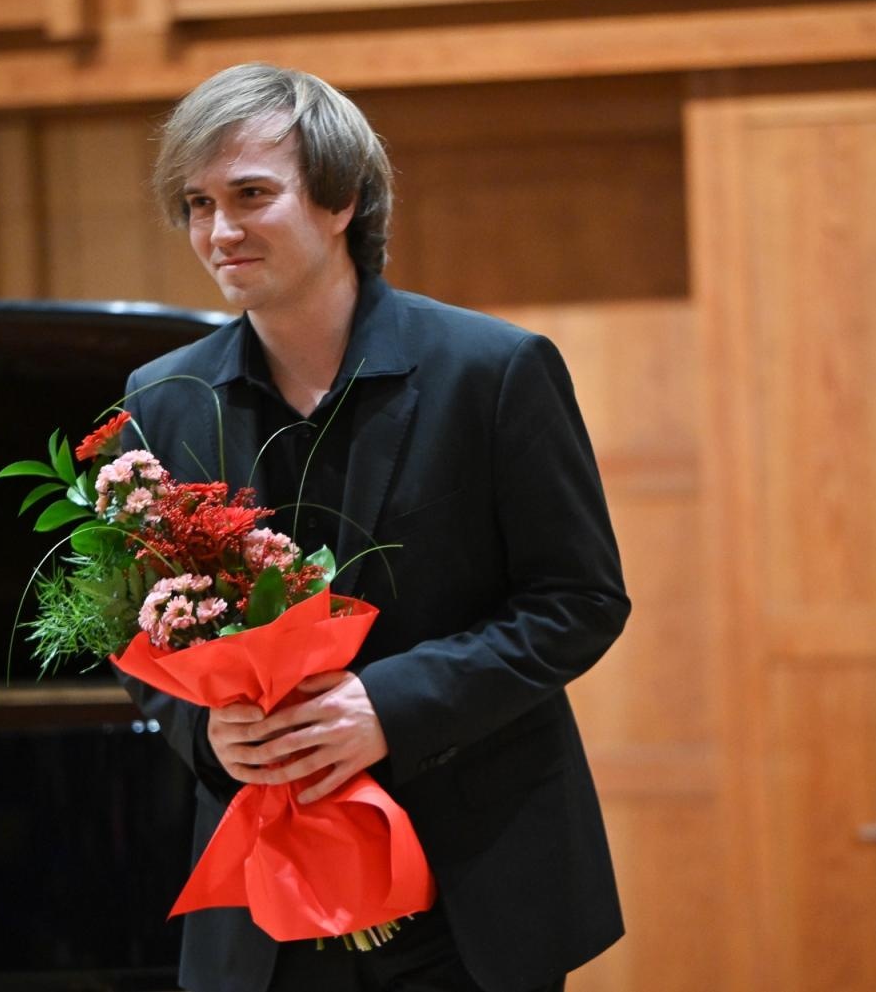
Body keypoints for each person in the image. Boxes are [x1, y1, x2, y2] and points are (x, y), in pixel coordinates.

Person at [115, 62, 628, 992]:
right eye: (197, 202)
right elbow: (137, 636)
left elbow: (579, 600)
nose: (219, 231)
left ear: (343, 198)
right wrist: (206, 734)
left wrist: (386, 706)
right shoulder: (163, 399)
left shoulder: (493, 371)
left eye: (251, 195)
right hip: (265, 917)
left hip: (469, 890)